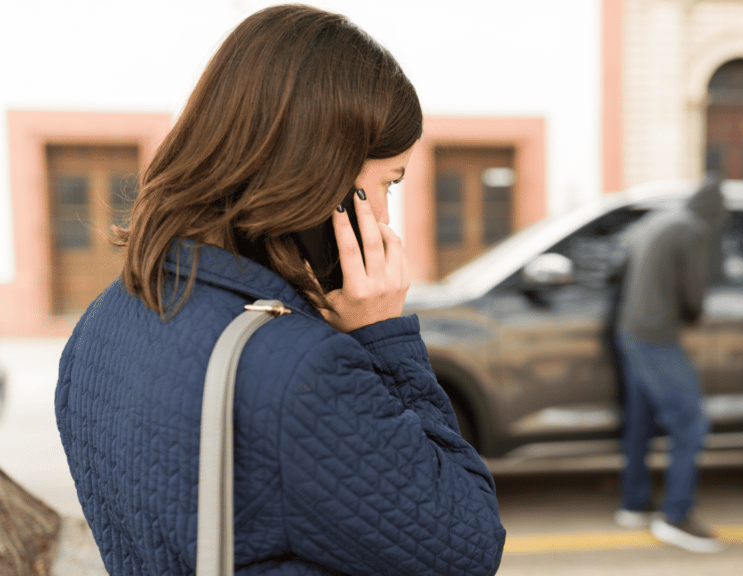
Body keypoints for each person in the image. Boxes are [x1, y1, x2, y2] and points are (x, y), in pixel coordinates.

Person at [54, 5, 505, 576]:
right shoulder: (298, 371)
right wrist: (385, 338)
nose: (387, 217)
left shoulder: (104, 321)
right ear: (326, 179)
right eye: (388, 182)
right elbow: (468, 545)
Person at [611, 176, 727, 553]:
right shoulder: (693, 230)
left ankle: (634, 504)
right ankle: (676, 516)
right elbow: (693, 292)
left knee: (641, 424)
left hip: (629, 329)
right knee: (691, 425)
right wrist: (694, 315)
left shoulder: (659, 220)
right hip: (659, 336)